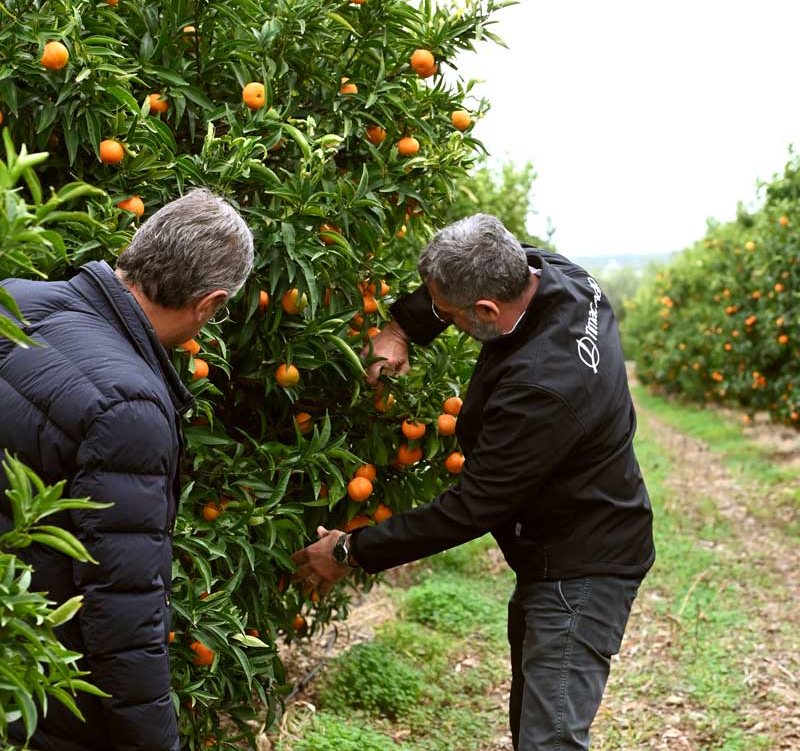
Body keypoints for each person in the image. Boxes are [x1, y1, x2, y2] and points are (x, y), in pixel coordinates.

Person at [292, 213, 655, 751]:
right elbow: (481, 265)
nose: (446, 320)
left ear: (486, 311)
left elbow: (470, 508)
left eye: (450, 315)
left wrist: (350, 551)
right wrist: (399, 328)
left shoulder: (542, 389)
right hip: (567, 540)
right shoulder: (557, 276)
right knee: (534, 721)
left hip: (582, 567)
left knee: (549, 737)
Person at [0, 188, 254, 751]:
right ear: (209, 304)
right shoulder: (131, 407)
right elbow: (121, 608)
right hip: (43, 690)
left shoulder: (12, 297)